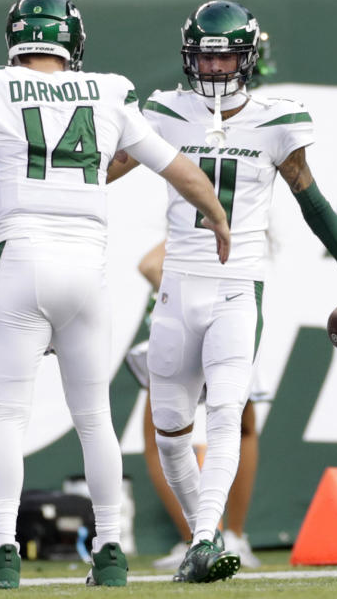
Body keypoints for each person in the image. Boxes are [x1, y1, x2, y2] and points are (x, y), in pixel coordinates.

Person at [0, 0, 230, 589]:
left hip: (22, 260)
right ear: (72, 40)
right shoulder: (108, 90)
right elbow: (176, 166)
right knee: (95, 418)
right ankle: (111, 549)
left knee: (8, 416)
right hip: (87, 268)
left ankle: (5, 551)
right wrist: (218, 217)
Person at [108, 0, 337, 583]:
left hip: (239, 284)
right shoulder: (164, 109)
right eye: (204, 60)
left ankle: (210, 536)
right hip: (177, 282)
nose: (213, 71)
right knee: (169, 430)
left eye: (225, 58)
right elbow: (102, 172)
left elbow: (313, 203)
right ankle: (200, 539)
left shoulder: (276, 117)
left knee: (228, 414)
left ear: (248, 57)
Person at [124, 241, 265, 570]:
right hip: (228, 318)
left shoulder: (193, 227)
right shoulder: (246, 226)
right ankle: (222, 536)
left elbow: (148, 264)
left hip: (192, 326)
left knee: (170, 434)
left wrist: (186, 296)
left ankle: (204, 536)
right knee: (235, 427)